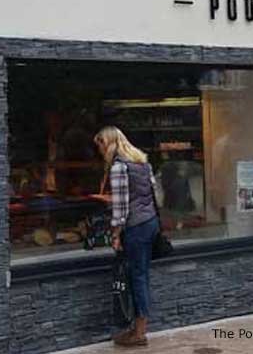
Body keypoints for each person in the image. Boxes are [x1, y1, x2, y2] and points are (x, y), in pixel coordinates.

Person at [94, 126, 160, 348]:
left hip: (135, 227)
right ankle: (137, 327)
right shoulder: (143, 162)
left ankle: (139, 333)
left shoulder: (119, 168)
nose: (100, 151)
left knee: (138, 278)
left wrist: (115, 234)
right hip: (150, 223)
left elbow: (121, 209)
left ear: (109, 143)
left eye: (101, 145)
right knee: (141, 276)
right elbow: (152, 192)